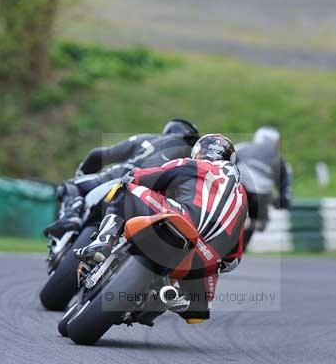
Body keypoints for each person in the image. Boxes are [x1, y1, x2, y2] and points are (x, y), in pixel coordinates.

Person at [75, 134, 248, 323]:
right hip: (206, 258)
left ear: (198, 152)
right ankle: (171, 298)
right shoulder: (242, 197)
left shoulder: (190, 164)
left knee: (127, 188)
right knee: (198, 312)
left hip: (178, 218)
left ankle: (103, 243)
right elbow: (233, 258)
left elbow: (141, 177)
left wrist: (130, 177)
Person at [43, 119, 199, 237]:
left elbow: (99, 155)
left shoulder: (148, 139)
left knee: (71, 185)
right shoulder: (194, 159)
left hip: (123, 177)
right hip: (157, 202)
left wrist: (82, 174)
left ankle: (71, 215)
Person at [235, 126, 292, 247]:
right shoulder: (278, 158)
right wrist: (283, 199)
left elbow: (224, 160)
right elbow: (285, 183)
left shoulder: (242, 147)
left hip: (240, 188)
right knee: (260, 222)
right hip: (261, 195)